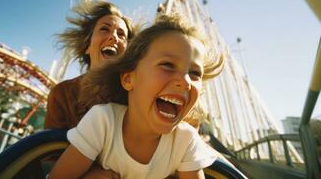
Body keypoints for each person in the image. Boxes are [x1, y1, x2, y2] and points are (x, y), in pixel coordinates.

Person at [49, 14, 225, 179]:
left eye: (195, 73)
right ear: (128, 78)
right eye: (167, 65)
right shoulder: (101, 120)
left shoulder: (185, 141)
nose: (186, 81)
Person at [44, 0, 136, 129]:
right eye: (105, 29)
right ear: (87, 46)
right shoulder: (63, 94)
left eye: (121, 34)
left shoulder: (136, 95)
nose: (113, 37)